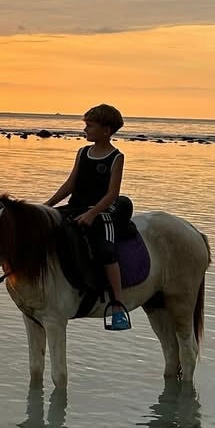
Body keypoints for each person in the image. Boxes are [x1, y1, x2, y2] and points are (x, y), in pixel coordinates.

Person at [44, 103, 134, 331]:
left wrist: (92, 214)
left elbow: (112, 194)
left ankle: (117, 306)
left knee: (106, 249)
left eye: (90, 126)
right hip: (76, 206)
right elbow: (70, 184)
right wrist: (48, 205)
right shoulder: (83, 152)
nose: (85, 130)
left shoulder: (116, 157)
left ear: (106, 130)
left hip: (101, 211)